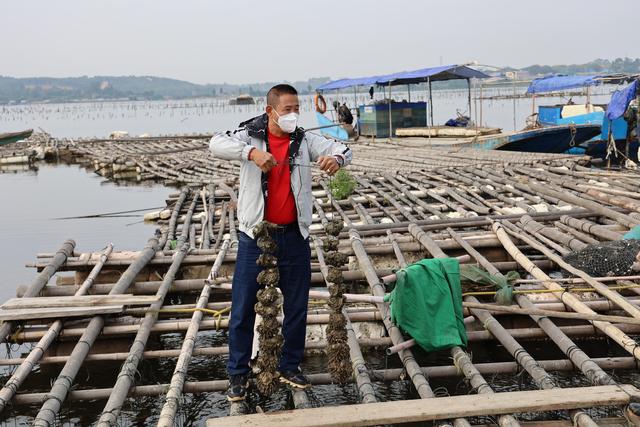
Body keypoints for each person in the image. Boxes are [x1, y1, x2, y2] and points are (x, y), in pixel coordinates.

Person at [209, 84, 352, 402]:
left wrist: (337, 161)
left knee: (297, 306)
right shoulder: (249, 134)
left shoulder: (303, 140)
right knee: (244, 307)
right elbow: (215, 143)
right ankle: (238, 374)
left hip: (294, 235)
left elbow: (343, 148)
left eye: (296, 108)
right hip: (255, 236)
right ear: (270, 109)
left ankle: (289, 366)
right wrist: (252, 153)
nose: (293, 115)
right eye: (287, 109)